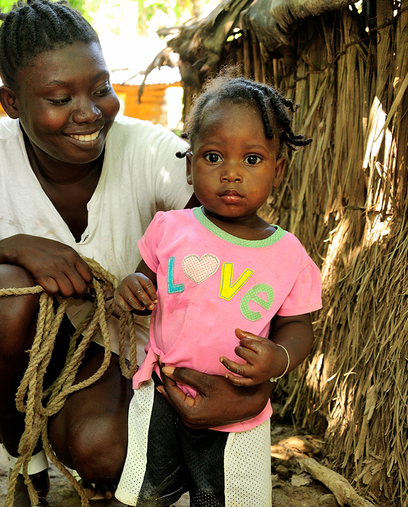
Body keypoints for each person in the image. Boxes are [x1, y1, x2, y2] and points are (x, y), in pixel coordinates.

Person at [0, 0, 276, 506]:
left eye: (101, 88)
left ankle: (92, 441)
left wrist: (151, 269)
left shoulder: (152, 150)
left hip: (120, 348)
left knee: (105, 453)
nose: (89, 112)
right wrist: (12, 248)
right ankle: (27, 461)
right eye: (60, 99)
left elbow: (238, 234)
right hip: (20, 351)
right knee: (4, 287)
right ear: (12, 102)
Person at [110, 72, 323, 506]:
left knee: (227, 499)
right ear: (189, 167)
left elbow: (299, 326)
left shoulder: (289, 255)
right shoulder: (170, 228)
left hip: (238, 411)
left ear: (277, 169)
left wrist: (278, 358)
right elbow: (142, 278)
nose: (230, 174)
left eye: (252, 160)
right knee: (142, 495)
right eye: (212, 157)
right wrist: (130, 288)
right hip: (163, 396)